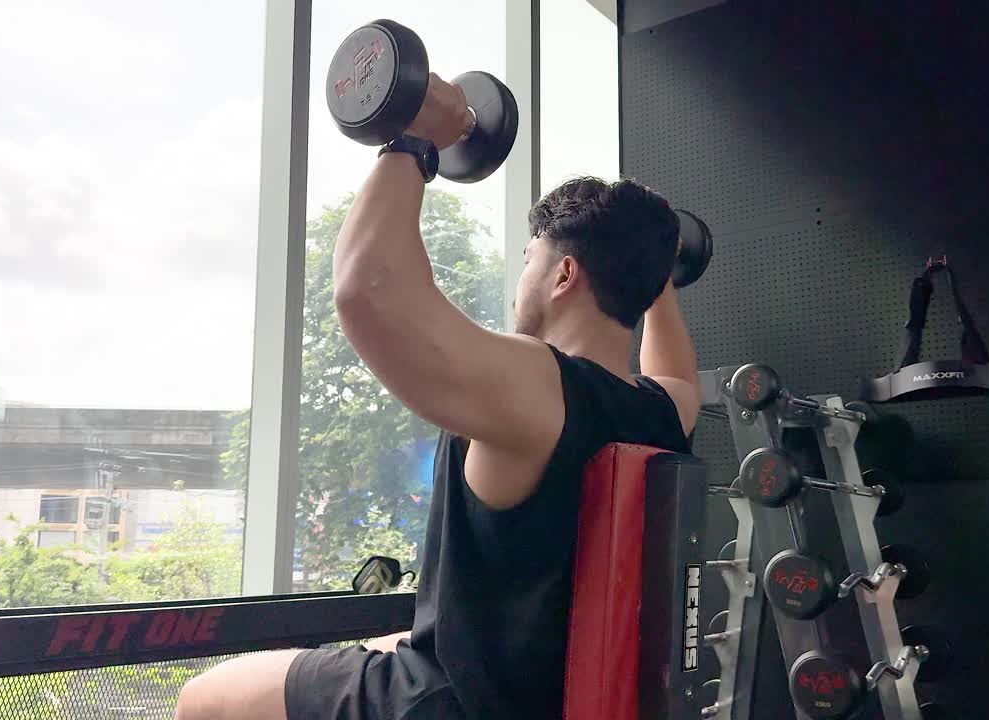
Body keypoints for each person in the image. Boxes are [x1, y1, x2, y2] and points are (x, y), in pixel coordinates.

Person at [174, 73, 701, 720]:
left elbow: (370, 291)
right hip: (534, 695)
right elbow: (675, 371)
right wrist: (656, 275)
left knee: (206, 699)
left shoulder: (541, 384)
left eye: (529, 260)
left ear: (564, 274)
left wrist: (415, 139)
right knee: (377, 644)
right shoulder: (663, 411)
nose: (520, 279)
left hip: (452, 702)